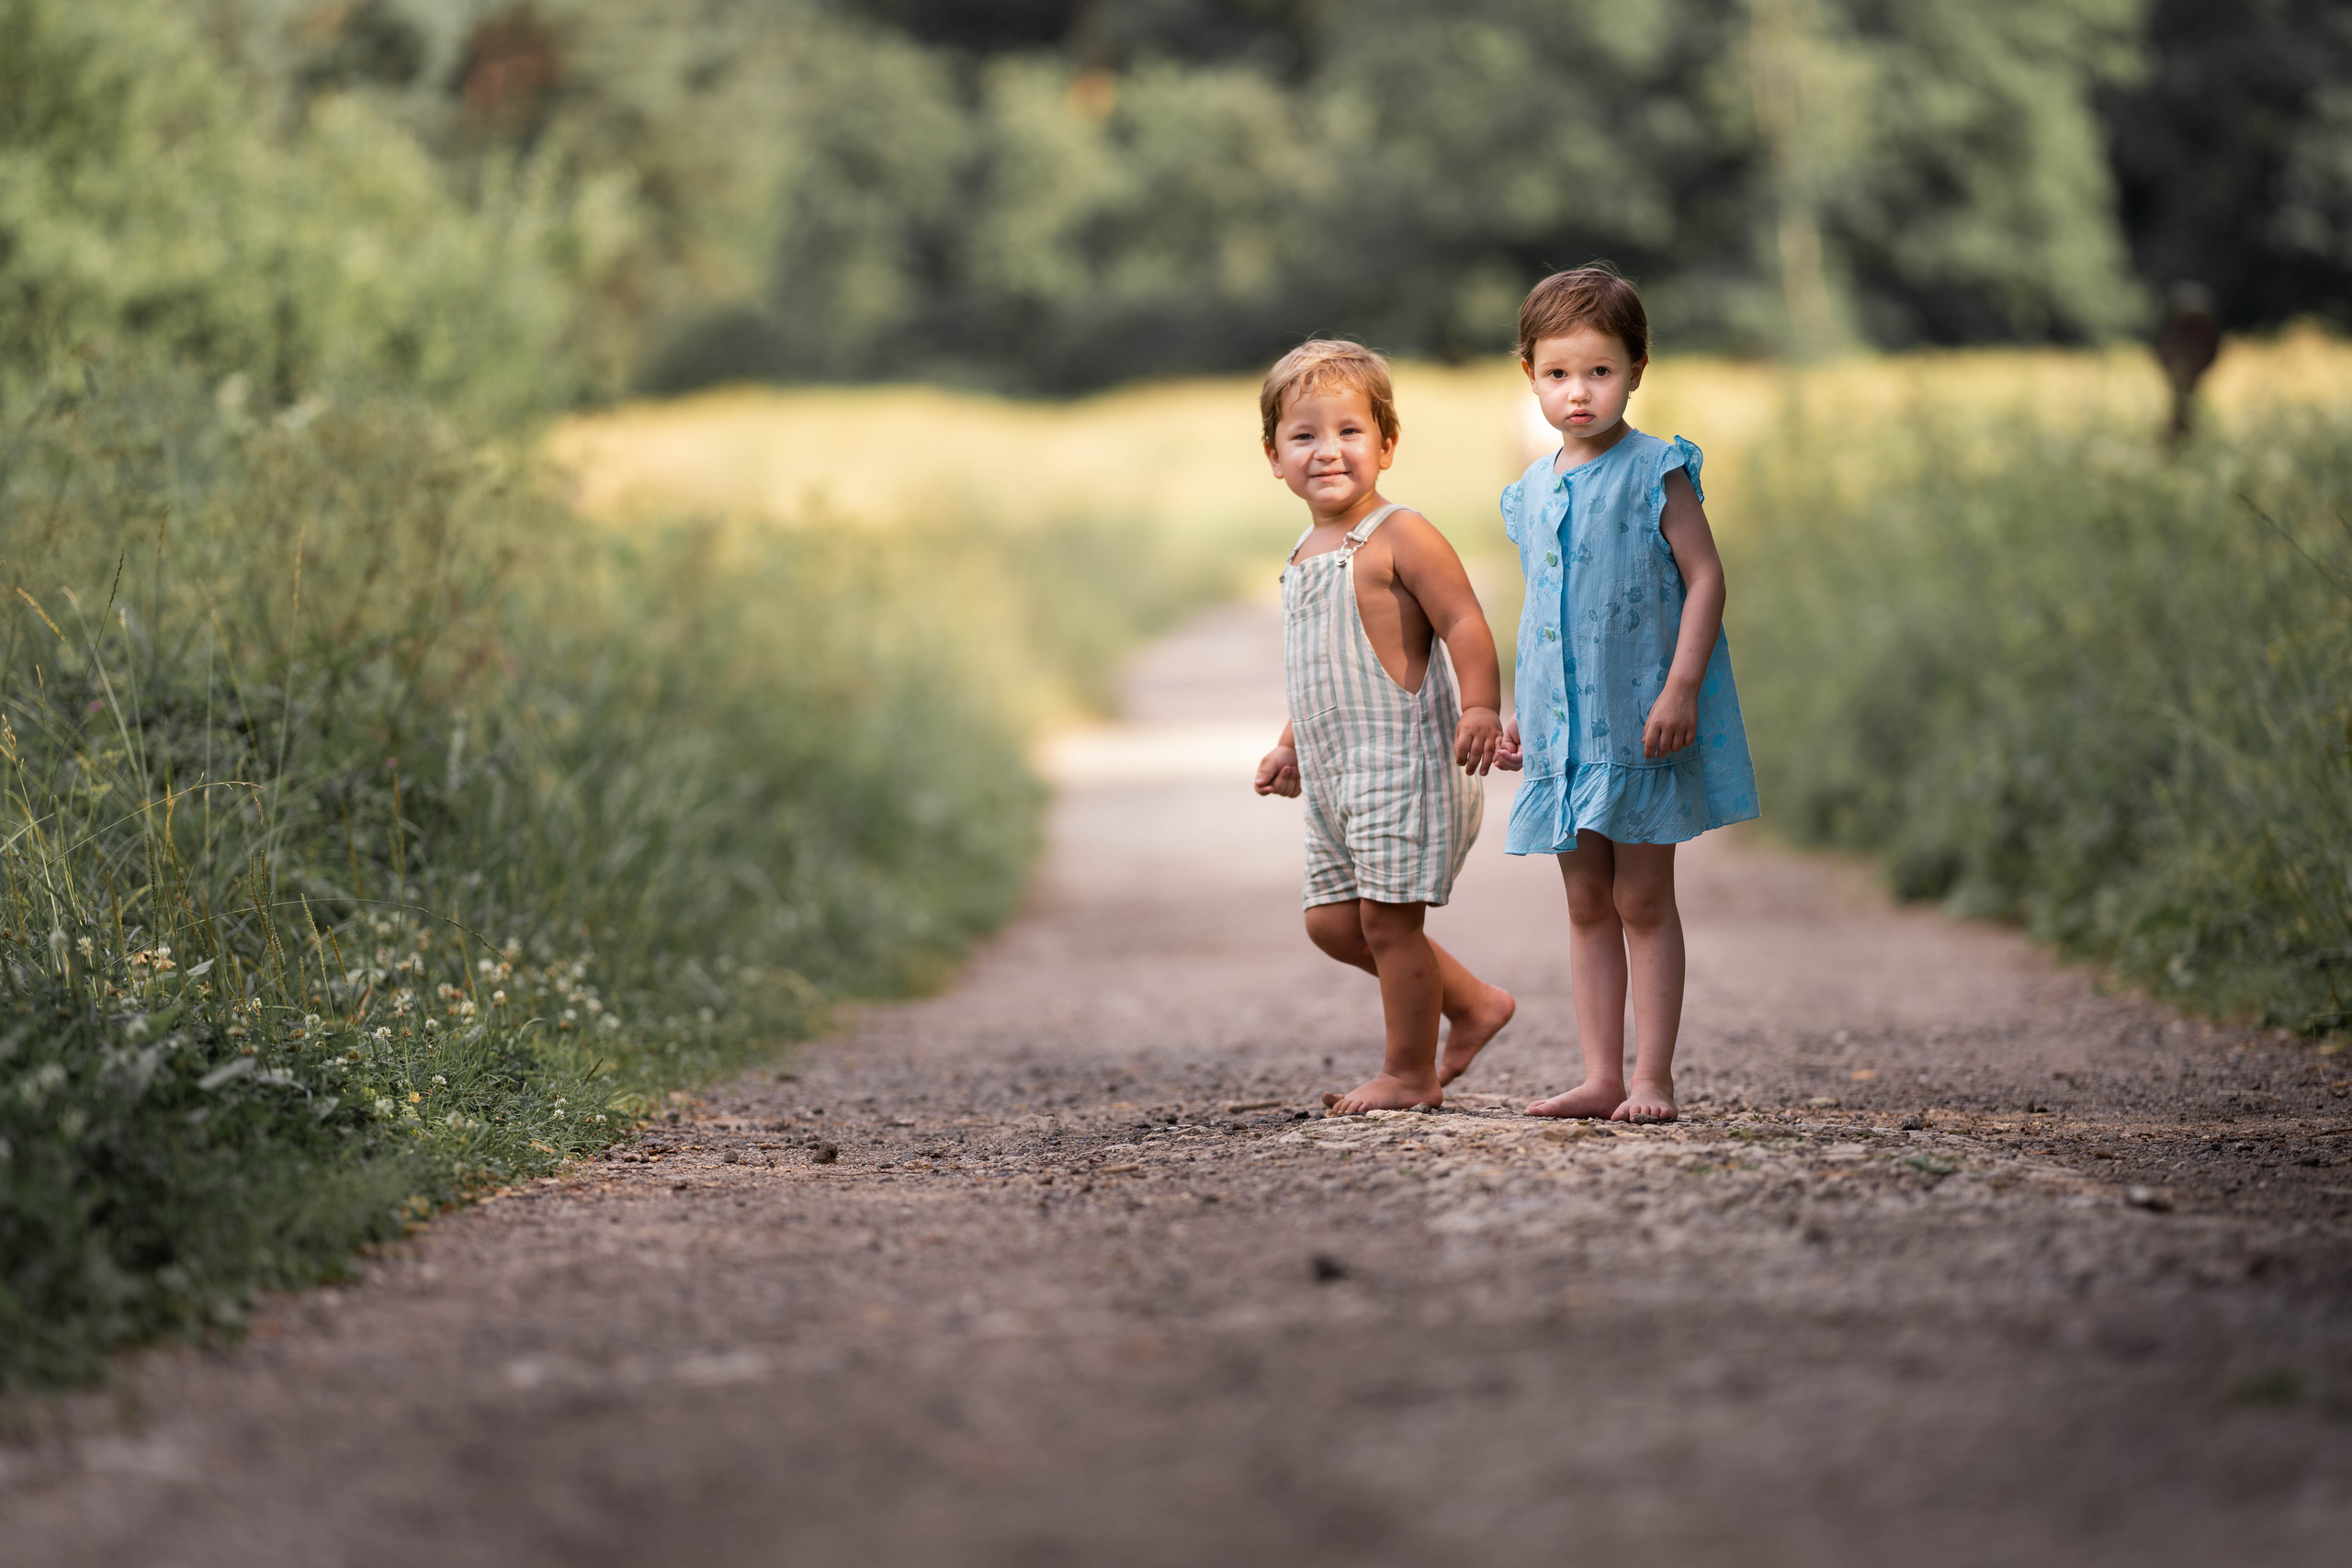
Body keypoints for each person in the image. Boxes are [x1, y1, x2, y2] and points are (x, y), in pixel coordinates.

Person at [1495, 267, 1759, 1124]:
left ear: (1638, 367)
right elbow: (1539, 608)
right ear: (1529, 374)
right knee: (1583, 901)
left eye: (1600, 372)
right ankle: (1600, 1073)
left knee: (1642, 898)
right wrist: (1516, 708)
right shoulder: (1532, 490)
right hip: (1565, 732)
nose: (1579, 393)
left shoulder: (1658, 470)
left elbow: (1706, 576)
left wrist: (1683, 685)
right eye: (1559, 374)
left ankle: (1654, 1076)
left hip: (1642, 720)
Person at [1251, 340, 1518, 1114]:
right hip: (1339, 776)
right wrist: (1289, 743)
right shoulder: (1303, 552)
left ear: (1387, 444)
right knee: (1333, 923)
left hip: (1404, 763)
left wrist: (1479, 706)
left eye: (1349, 432)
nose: (1327, 451)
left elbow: (1465, 619)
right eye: (1304, 436)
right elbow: (1322, 668)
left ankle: (1410, 1072)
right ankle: (1471, 1003)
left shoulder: (1401, 534)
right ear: (1274, 457)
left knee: (1386, 920)